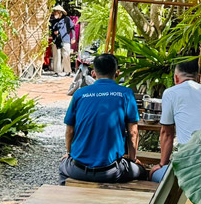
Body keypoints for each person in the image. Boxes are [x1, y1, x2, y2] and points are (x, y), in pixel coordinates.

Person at [61, 53, 150, 184]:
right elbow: (133, 132)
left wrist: (69, 154)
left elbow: (69, 131)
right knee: (142, 172)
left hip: (77, 170)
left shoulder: (79, 94)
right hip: (111, 172)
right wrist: (132, 159)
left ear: (93, 73)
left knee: (62, 167)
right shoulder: (126, 94)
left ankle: (64, 192)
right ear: (117, 73)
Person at [151, 59, 201, 182]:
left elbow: (167, 133)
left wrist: (161, 165)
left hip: (188, 167)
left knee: (155, 175)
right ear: (199, 77)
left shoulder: (171, 93)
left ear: (176, 78)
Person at [49, 5, 72, 76]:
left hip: (65, 39)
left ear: (60, 13)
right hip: (56, 40)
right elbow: (51, 30)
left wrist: (73, 38)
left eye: (57, 12)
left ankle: (68, 71)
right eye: (54, 12)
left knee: (66, 55)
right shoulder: (53, 21)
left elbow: (72, 28)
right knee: (56, 56)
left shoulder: (66, 19)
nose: (55, 13)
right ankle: (57, 71)